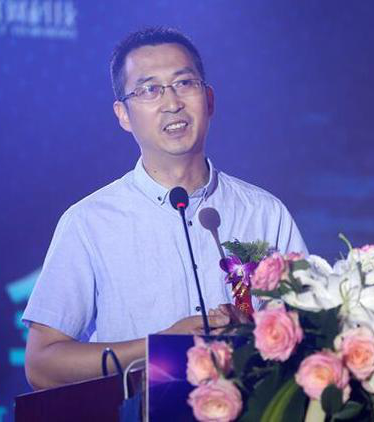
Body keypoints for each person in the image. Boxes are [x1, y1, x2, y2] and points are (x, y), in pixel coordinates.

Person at [22, 27, 307, 390]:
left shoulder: (265, 214)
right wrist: (156, 348)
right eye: (149, 90)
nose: (172, 103)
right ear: (123, 115)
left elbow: (311, 335)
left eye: (184, 83)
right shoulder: (89, 223)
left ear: (209, 100)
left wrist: (251, 334)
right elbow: (42, 365)